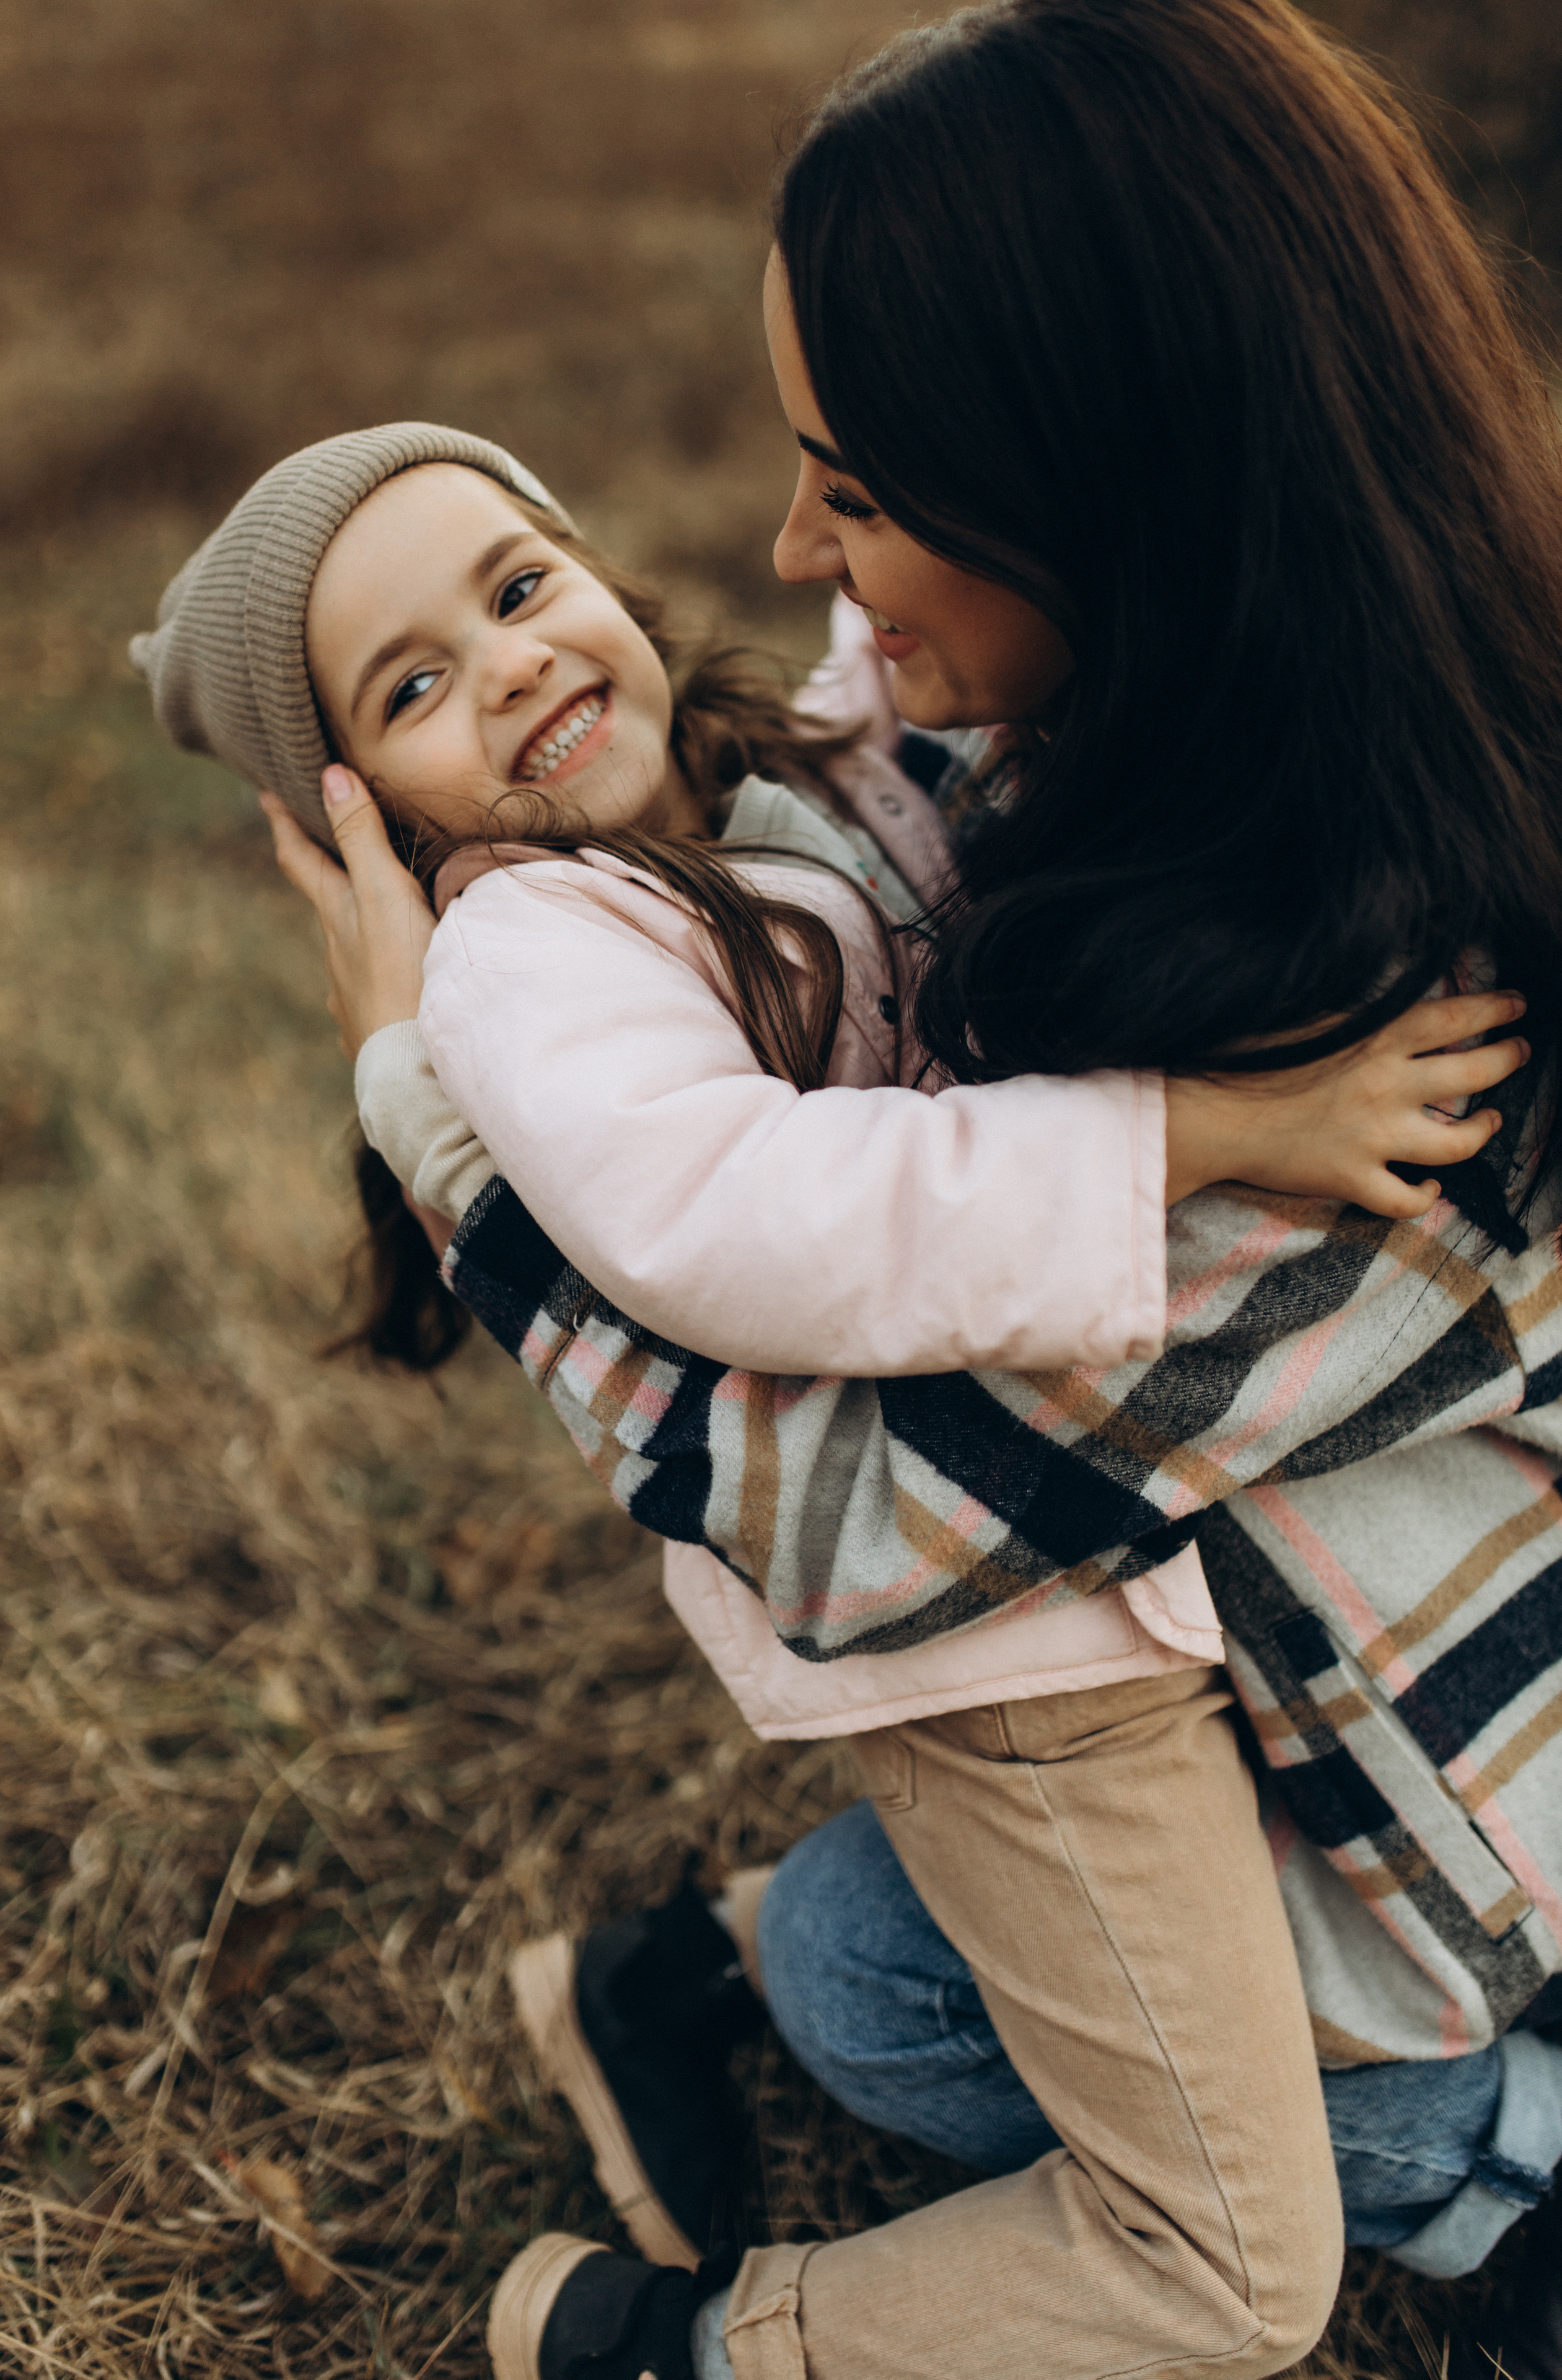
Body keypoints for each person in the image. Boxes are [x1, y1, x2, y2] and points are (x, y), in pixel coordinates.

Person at [233, 0, 1562, 2375]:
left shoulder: (1428, 1032)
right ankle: (713, 2150)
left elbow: (842, 1500)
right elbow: (766, 1093)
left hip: (1409, 1744)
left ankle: (1471, 2152)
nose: (792, 555)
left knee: (962, 2027)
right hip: (1126, 1658)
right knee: (1007, 2084)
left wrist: (440, 1124)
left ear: (1107, 482)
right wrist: (465, 1053)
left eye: (857, 482)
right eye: (407, 685)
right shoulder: (1065, 729)